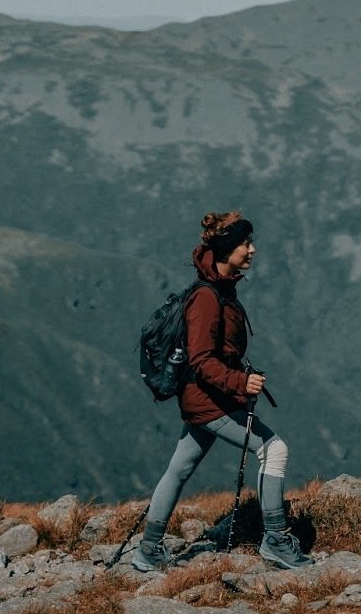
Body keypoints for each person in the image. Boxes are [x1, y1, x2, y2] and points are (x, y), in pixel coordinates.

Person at [131, 210, 311, 571]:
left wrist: (238, 378)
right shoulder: (207, 299)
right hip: (209, 400)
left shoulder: (219, 290)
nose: (253, 249)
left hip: (207, 398)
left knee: (179, 468)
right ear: (227, 249)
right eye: (246, 243)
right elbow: (200, 359)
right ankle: (275, 540)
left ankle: (148, 550)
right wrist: (240, 382)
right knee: (274, 450)